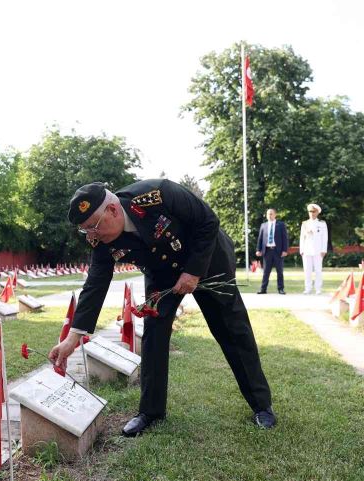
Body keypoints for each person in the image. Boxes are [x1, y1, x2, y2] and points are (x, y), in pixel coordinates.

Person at [49, 179, 276, 437]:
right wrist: (73, 338)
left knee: (233, 330)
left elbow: (208, 221)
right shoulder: (101, 240)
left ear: (112, 210)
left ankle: (261, 405)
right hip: (162, 275)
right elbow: (95, 285)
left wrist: (192, 272)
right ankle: (151, 412)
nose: (92, 235)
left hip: (209, 261)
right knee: (154, 336)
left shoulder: (158, 194)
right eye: (85, 231)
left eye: (93, 227)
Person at [255, 208, 289, 294]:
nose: (269, 216)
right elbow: (260, 238)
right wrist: (258, 249)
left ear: (275, 215)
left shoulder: (280, 225)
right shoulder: (263, 225)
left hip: (278, 251)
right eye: (268, 214)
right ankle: (263, 289)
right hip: (267, 251)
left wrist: (285, 250)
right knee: (266, 271)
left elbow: (285, 238)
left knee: (279, 271)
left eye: (271, 214)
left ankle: (281, 289)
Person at [299, 203, 328, 294]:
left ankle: (318, 288)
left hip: (318, 250)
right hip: (307, 250)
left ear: (317, 212)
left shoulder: (322, 224)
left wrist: (324, 249)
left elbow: (325, 237)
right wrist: (301, 249)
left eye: (313, 211)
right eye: (310, 211)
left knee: (318, 270)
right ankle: (308, 288)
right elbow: (302, 237)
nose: (312, 213)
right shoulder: (305, 223)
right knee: (307, 270)